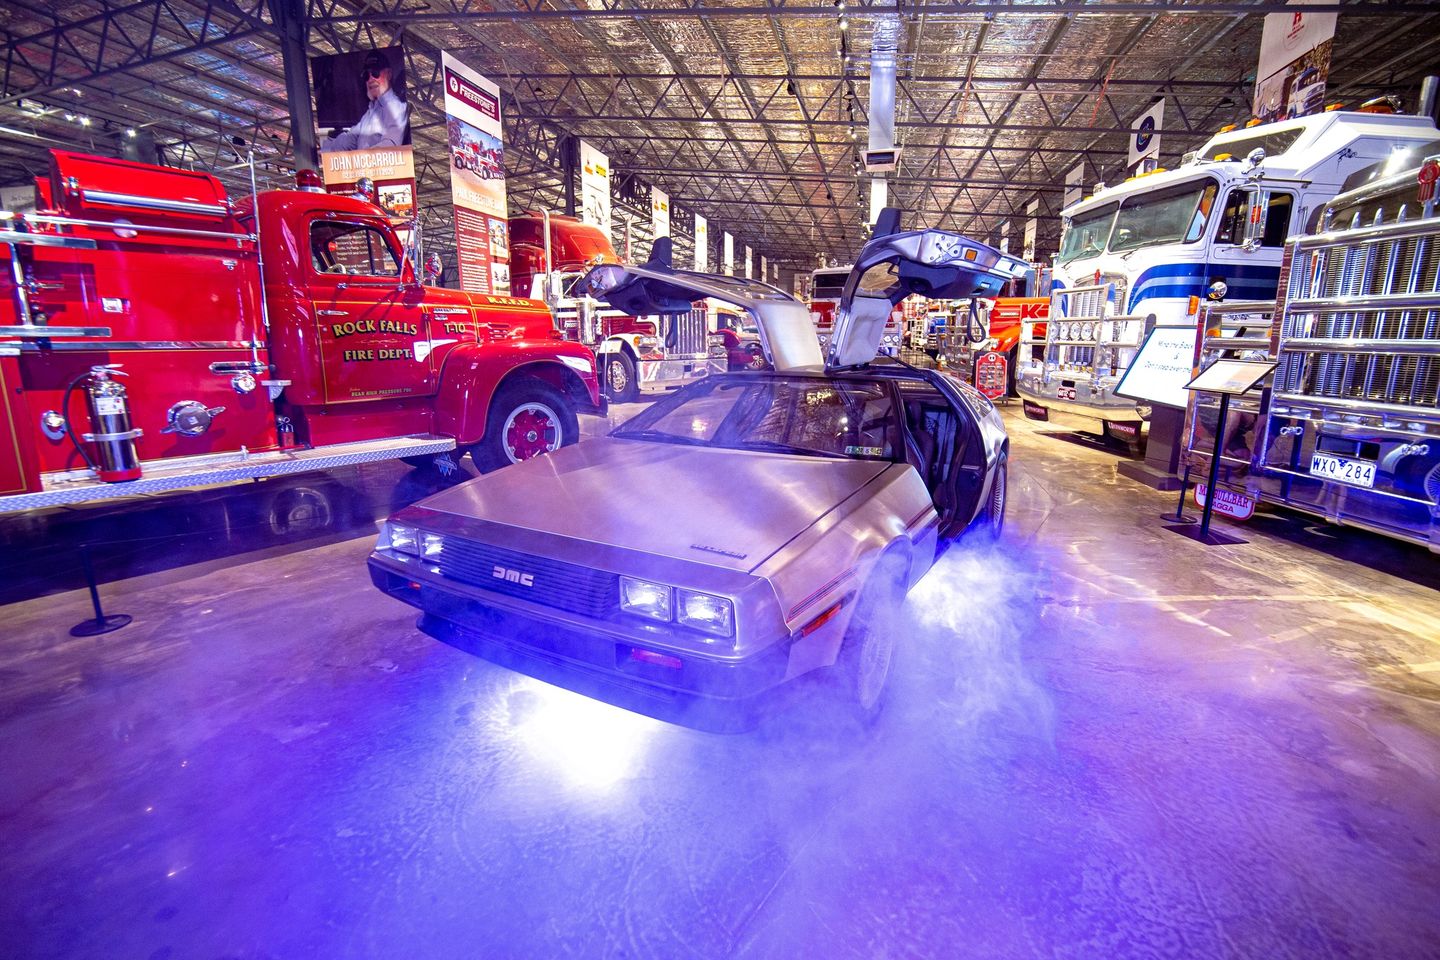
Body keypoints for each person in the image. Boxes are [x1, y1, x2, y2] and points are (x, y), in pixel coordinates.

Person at [322, 50, 408, 151]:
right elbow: (349, 139)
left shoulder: (395, 107)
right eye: (367, 75)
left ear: (389, 74)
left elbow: (390, 145)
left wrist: (362, 158)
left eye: (375, 73)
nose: (370, 79)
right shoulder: (371, 112)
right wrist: (326, 149)